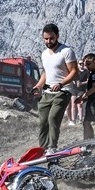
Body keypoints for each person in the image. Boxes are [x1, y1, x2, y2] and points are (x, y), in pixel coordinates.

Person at [32, 23, 79, 152]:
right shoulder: (44, 54)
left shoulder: (66, 51)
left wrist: (61, 84)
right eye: (46, 39)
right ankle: (42, 150)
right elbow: (46, 73)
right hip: (47, 93)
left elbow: (74, 71)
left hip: (63, 91)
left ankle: (52, 147)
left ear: (57, 36)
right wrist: (38, 86)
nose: (48, 41)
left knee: (53, 118)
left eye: (51, 38)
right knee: (43, 122)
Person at [75, 53, 95, 139]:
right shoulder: (92, 73)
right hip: (93, 100)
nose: (86, 67)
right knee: (86, 121)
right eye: (85, 65)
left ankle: (88, 141)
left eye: (89, 64)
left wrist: (84, 96)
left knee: (86, 122)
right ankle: (89, 140)